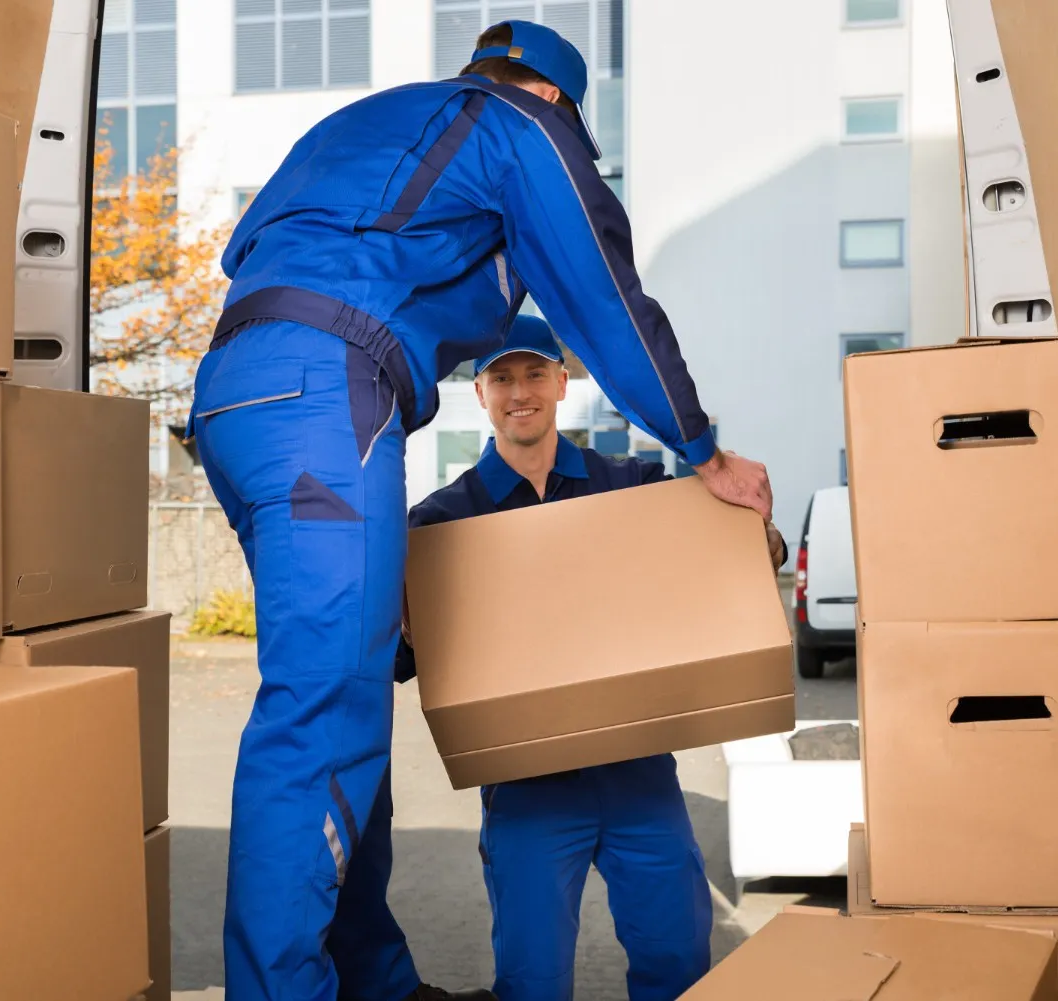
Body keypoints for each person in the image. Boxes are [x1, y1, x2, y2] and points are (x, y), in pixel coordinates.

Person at [184, 18, 774, 1001]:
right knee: (322, 711)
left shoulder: (373, 125)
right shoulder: (517, 127)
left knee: (345, 687)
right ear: (556, 102)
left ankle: (372, 977)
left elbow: (254, 254)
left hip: (240, 396)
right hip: (330, 389)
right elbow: (604, 295)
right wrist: (701, 445)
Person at [395, 316, 786, 1001]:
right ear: (480, 391)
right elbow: (402, 658)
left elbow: (716, 556)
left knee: (679, 961)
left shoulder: (630, 485)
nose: (521, 392)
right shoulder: (440, 525)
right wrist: (398, 618)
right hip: (528, 788)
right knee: (532, 981)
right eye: (504, 378)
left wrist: (763, 541)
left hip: (640, 775)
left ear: (562, 382)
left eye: (535, 373)